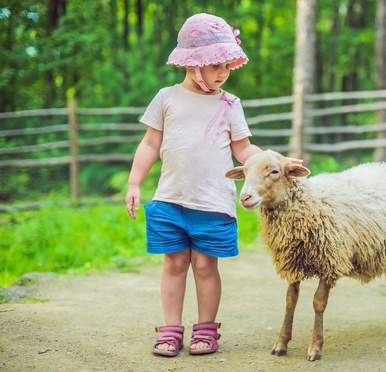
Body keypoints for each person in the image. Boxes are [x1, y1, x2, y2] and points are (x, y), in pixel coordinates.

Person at [125, 13, 297, 357]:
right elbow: (149, 144)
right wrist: (133, 183)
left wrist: (276, 161)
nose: (223, 72)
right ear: (193, 63)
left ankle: (206, 330)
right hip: (170, 198)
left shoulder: (229, 104)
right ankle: (170, 329)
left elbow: (243, 149)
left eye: (228, 65)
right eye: (217, 64)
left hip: (212, 201)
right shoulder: (166, 98)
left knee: (205, 265)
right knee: (174, 263)